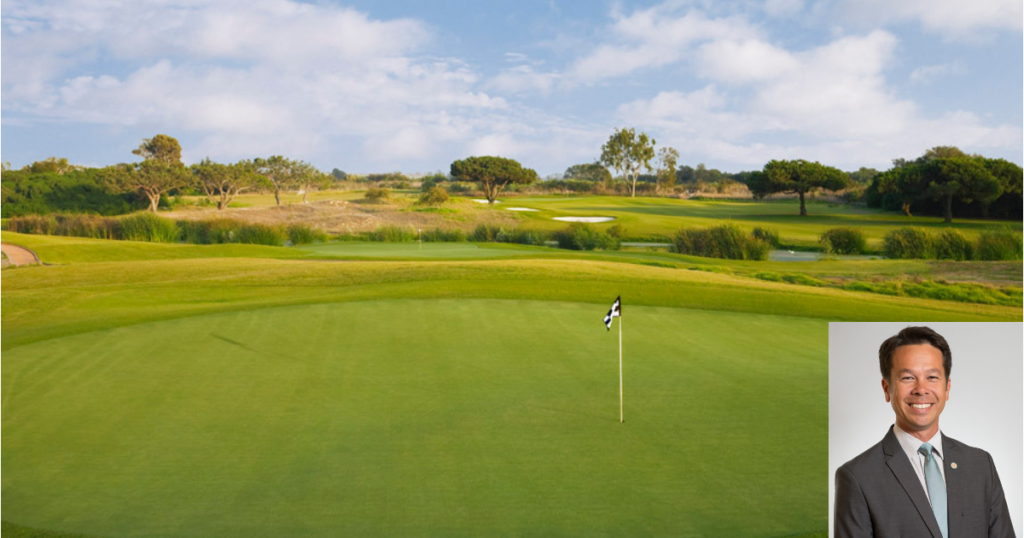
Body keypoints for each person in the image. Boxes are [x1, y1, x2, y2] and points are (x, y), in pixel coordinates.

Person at [834, 326, 1015, 538]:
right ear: (886, 389)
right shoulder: (858, 477)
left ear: (947, 388)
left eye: (932, 377)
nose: (921, 389)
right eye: (908, 378)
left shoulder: (981, 465)